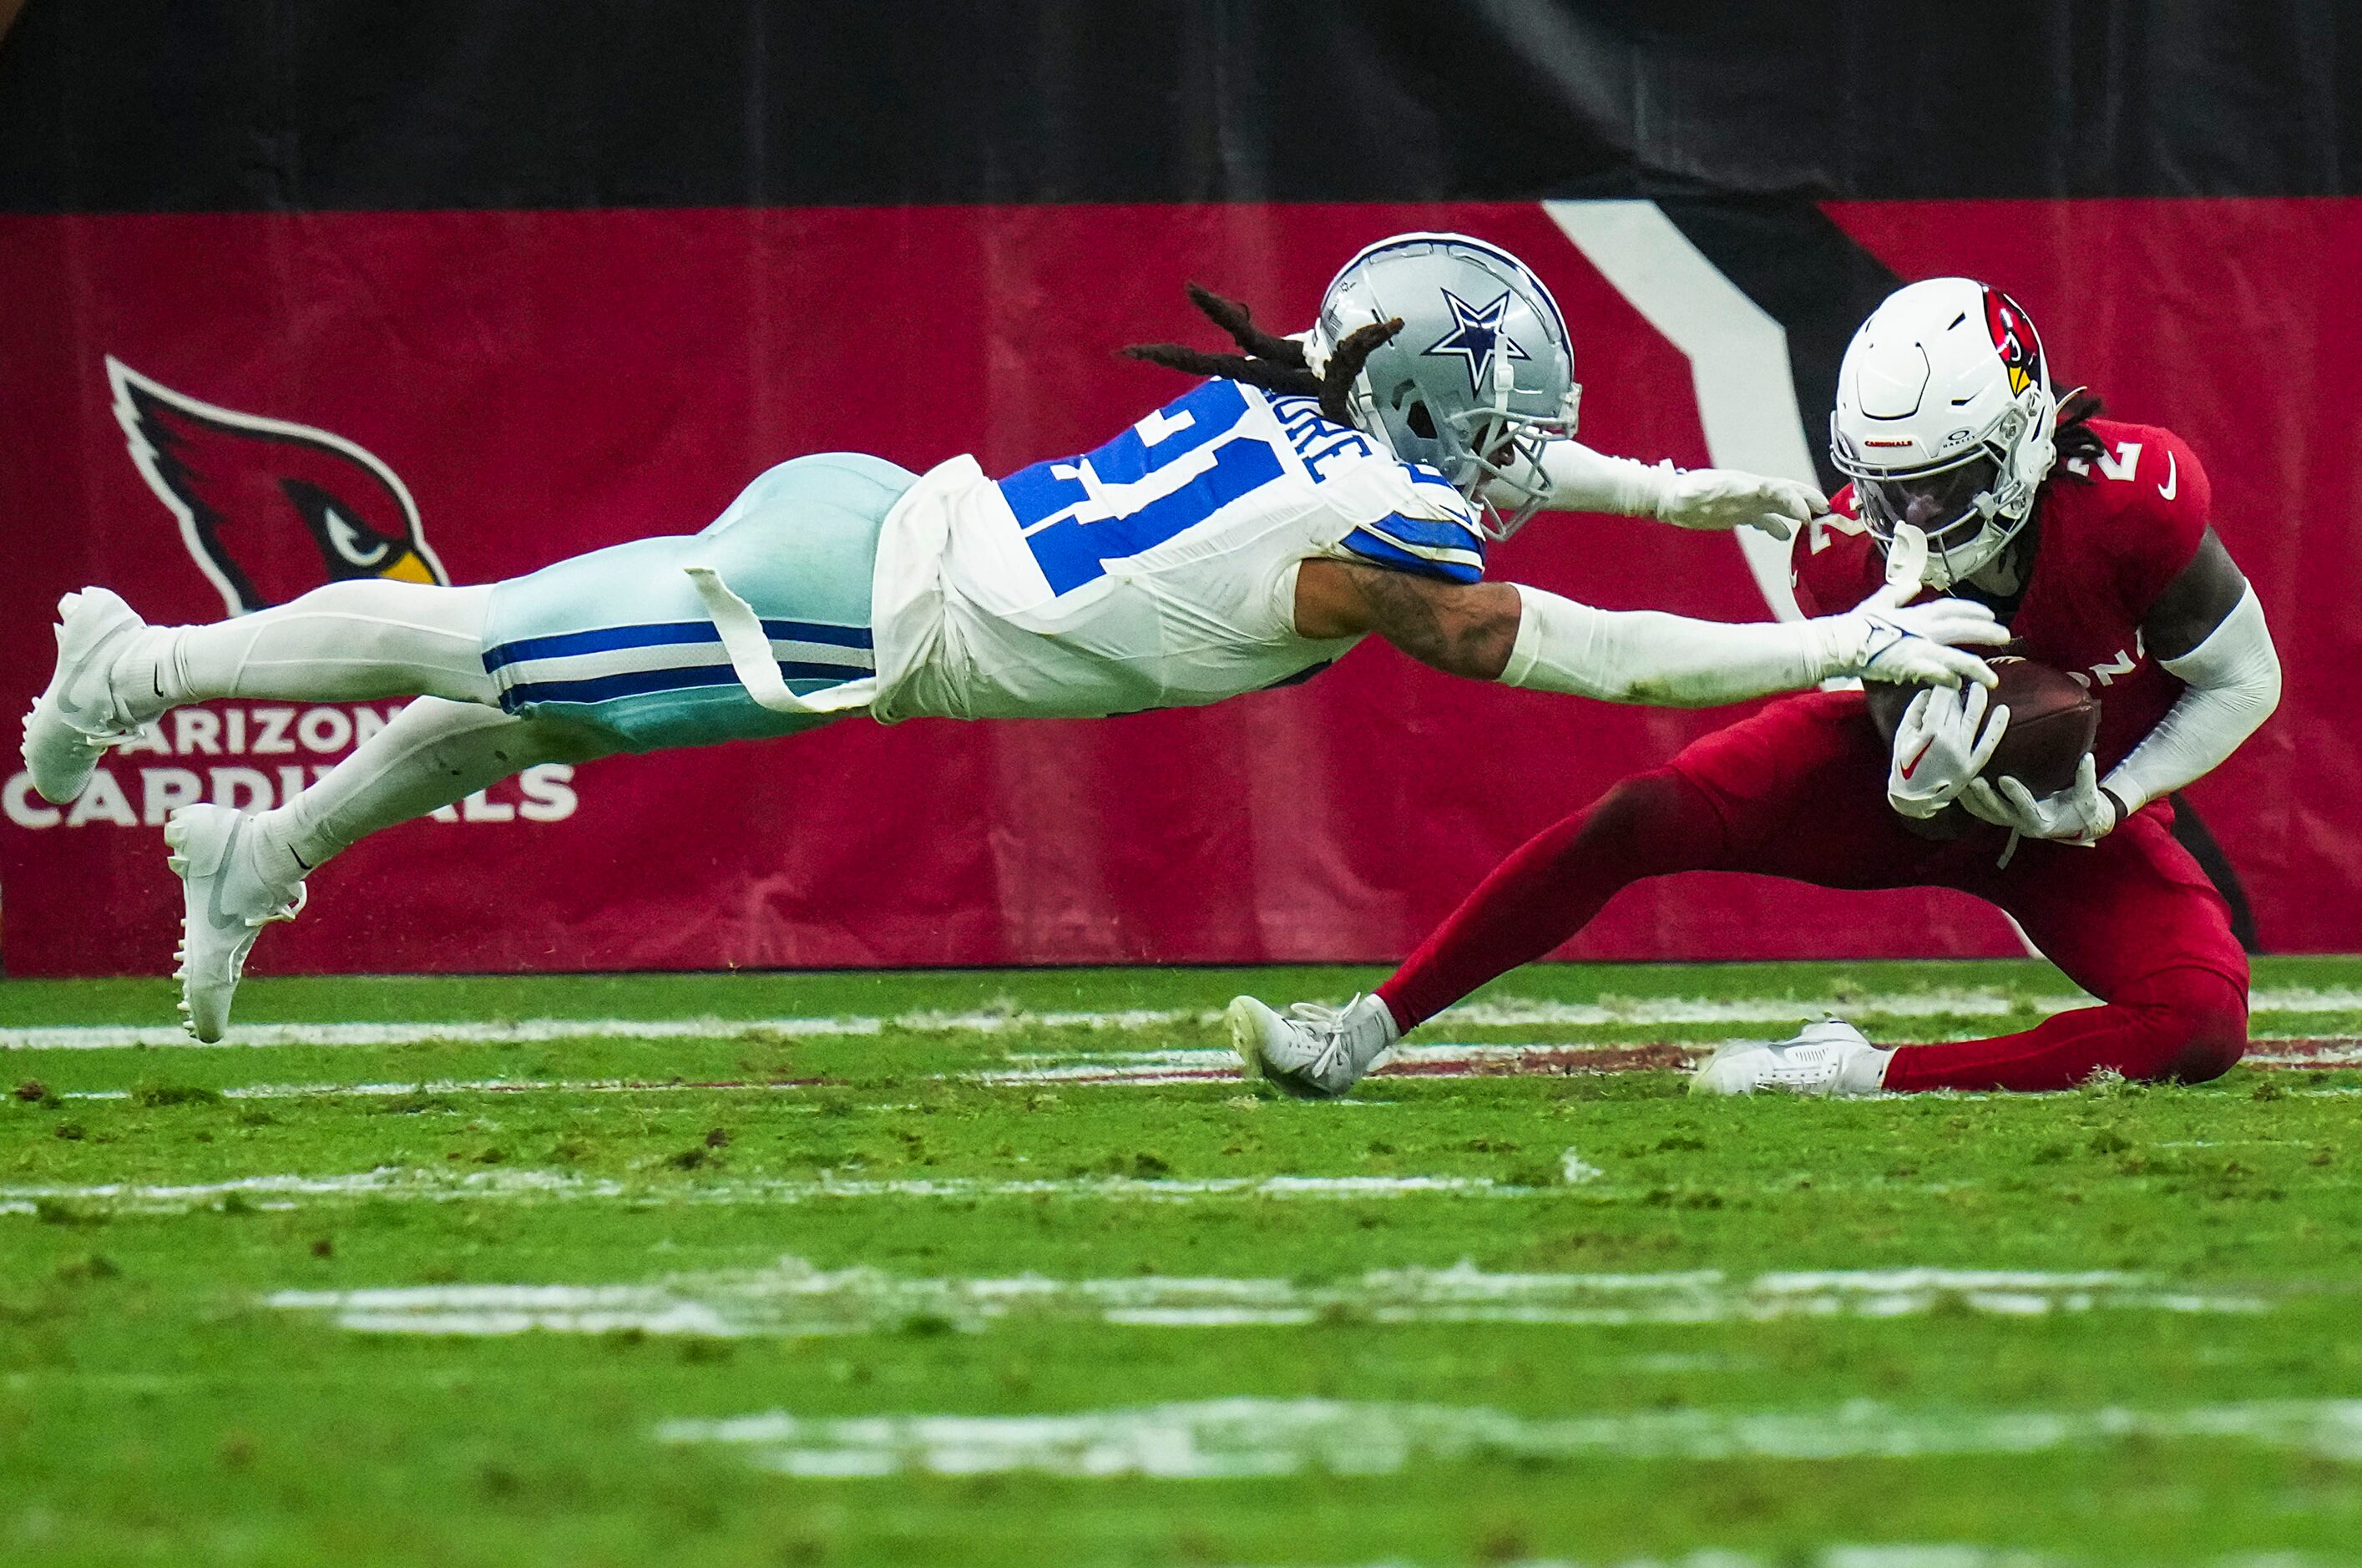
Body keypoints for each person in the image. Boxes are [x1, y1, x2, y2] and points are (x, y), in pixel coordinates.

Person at [23, 235, 2001, 1041]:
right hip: (843, 604)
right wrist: (1853, 645)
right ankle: (132, 669)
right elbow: (1611, 660)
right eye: (1497, 416)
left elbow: (1487, 458)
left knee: (529, 697)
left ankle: (255, 851)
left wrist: (1682, 494)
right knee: (470, 653)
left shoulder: (1317, 408)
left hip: (870, 528)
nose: (1514, 447)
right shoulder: (1367, 536)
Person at [1231, 276, 2281, 1100]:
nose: (1909, 514)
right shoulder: (1845, 546)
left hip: (2070, 816)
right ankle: (1362, 1029)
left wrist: (2108, 799)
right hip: (1887, 782)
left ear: (2024, 442)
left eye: (1941, 482)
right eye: (1887, 485)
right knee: (1636, 817)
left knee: (2200, 1019)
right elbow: (1889, 709)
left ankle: (1855, 1069)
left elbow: (2245, 682)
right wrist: (1912, 753)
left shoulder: (2130, 504)